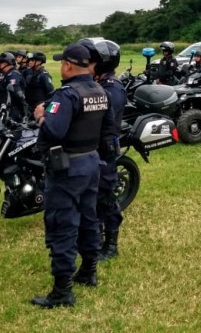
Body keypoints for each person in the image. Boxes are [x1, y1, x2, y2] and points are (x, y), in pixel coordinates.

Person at [30, 44, 113, 309]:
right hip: (90, 162)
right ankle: (89, 271)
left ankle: (62, 291)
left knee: (62, 224)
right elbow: (108, 127)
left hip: (67, 167)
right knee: (88, 218)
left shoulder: (67, 95)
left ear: (67, 66)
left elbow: (54, 130)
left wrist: (41, 116)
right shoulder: (99, 90)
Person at [78, 38, 126, 262]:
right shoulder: (95, 86)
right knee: (90, 198)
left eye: (90, 61)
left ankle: (111, 244)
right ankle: (94, 239)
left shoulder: (112, 89)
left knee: (105, 196)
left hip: (104, 151)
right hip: (90, 149)